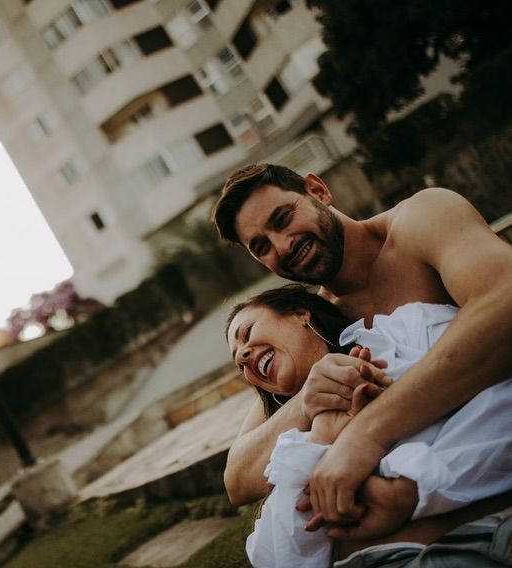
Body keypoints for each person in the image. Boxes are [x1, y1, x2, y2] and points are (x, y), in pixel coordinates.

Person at [210, 163, 512, 533]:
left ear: (318, 191)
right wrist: (305, 401)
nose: (283, 245)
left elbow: (505, 301)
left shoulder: (420, 220)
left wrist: (366, 434)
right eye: (262, 247)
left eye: (284, 218)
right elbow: (238, 480)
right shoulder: (320, 324)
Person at [225, 285, 512, 566]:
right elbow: (276, 557)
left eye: (247, 333)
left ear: (300, 314)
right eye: (239, 365)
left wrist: (408, 489)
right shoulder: (290, 446)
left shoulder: (404, 331)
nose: (241, 357)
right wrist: (319, 436)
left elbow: (501, 399)